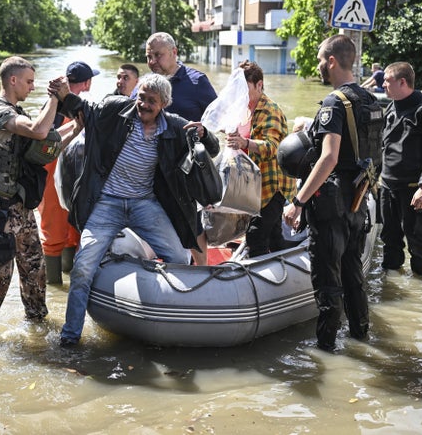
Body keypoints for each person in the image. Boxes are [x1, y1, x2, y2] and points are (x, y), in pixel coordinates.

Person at [55, 73, 220, 346]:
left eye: (151, 101)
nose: (143, 104)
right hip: (107, 202)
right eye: (141, 97)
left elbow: (210, 149)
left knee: (180, 257)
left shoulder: (175, 127)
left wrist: (204, 133)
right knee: (83, 267)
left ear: (164, 104)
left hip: (144, 203)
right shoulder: (115, 111)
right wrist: (63, 94)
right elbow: (83, 108)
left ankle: (171, 324)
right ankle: (70, 337)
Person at [0, 56, 82, 340]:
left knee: (34, 267)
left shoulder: (15, 112)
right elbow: (40, 130)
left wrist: (77, 127)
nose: (32, 87)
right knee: (0, 276)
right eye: (29, 81)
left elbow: (44, 147)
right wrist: (55, 97)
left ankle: (37, 323)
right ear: (13, 80)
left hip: (19, 207)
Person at [282, 34, 374, 352]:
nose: (319, 66)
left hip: (331, 205)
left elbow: (329, 157)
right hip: (359, 201)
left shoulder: (334, 103)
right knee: (353, 276)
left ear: (332, 61)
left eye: (321, 60)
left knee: (328, 284)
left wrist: (297, 202)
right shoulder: (369, 99)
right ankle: (361, 338)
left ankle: (326, 353)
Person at [145, 31, 218, 265]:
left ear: (174, 53)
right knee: (155, 218)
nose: (153, 61)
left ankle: (203, 271)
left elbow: (217, 117)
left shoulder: (197, 82)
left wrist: (205, 132)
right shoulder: (148, 86)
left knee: (192, 221)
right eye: (149, 56)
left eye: (158, 55)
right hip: (152, 167)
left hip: (186, 170)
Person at [380, 62, 422, 279]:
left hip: (413, 188)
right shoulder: (391, 106)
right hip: (388, 185)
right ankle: (390, 283)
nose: (383, 84)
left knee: (416, 239)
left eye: (387, 80)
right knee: (389, 237)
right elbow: (384, 145)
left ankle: (421, 283)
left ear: (402, 82)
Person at [225, 60, 295, 257]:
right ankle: (292, 255)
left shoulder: (269, 110)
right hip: (254, 183)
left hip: (273, 185)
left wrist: (244, 143)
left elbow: (272, 146)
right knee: (274, 238)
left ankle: (265, 280)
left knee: (256, 236)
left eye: (244, 88)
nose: (240, 93)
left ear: (259, 85)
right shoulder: (243, 110)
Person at [38, 61, 99, 285]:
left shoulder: (54, 104)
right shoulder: (72, 107)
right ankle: (55, 285)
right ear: (87, 82)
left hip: (65, 179)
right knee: (57, 234)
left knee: (69, 234)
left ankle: (61, 285)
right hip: (55, 179)